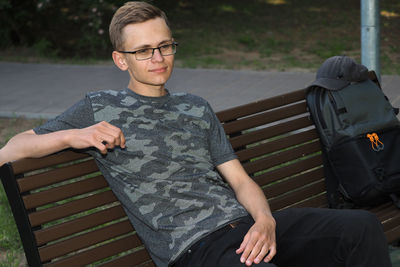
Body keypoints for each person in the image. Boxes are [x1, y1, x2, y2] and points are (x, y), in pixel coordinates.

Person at [0, 2, 392, 267]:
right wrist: (75, 135)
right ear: (120, 60)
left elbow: (239, 179)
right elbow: (10, 149)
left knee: (361, 228)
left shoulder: (196, 107)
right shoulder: (99, 106)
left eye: (165, 46)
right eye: (144, 50)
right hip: (194, 248)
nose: (158, 58)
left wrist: (265, 220)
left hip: (244, 228)